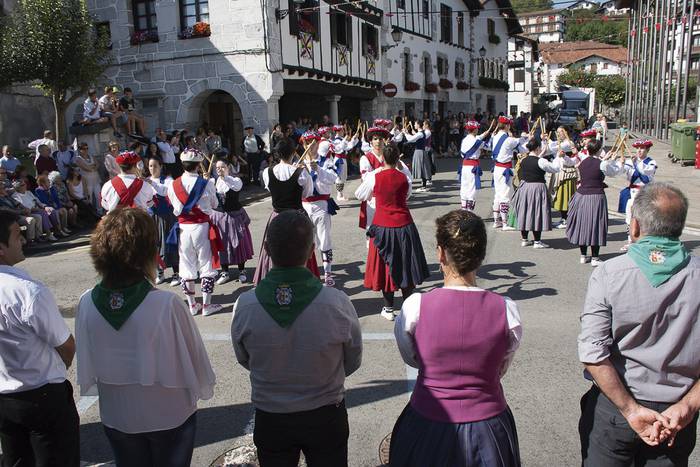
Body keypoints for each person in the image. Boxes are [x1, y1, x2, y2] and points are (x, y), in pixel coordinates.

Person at [76, 207, 215, 467]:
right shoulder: (166, 304)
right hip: (168, 415)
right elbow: (196, 362)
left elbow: (88, 359)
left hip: (117, 414)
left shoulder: (86, 302)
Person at [578, 182, 700, 466]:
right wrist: (688, 405)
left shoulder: (610, 273)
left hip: (617, 407)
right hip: (677, 415)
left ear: (634, 226)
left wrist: (630, 409)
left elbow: (593, 354)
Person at [231, 210, 362, 467]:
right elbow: (352, 359)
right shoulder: (336, 303)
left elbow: (243, 357)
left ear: (266, 249)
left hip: (272, 416)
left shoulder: (245, 305)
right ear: (312, 250)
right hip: (325, 413)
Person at [391, 209, 522, 466]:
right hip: (488, 426)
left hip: (426, 421)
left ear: (440, 253)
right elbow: (500, 367)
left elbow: (413, 358)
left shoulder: (415, 307)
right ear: (481, 256)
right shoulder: (506, 310)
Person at [0, 209, 79, 466]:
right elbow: (65, 345)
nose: (23, 240)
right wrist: (62, 365)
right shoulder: (27, 291)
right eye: (16, 235)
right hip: (42, 395)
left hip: (5, 398)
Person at [355, 144, 430, 321]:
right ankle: (407, 307)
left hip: (382, 226)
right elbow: (407, 195)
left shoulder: (374, 177)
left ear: (383, 158)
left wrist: (374, 196)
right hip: (404, 224)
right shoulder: (404, 177)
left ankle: (388, 307)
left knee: (386, 266)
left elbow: (359, 194)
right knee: (405, 264)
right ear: (398, 159)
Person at [253, 137, 320, 284]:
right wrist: (298, 171)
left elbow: (269, 188)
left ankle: (274, 280)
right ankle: (301, 281)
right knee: (300, 248)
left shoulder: (267, 172)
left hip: (277, 216)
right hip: (297, 217)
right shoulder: (301, 173)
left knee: (276, 247)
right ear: (294, 152)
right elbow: (307, 193)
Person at [167, 148, 223, 317]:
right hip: (202, 227)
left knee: (186, 265)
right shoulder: (207, 184)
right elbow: (214, 204)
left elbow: (173, 206)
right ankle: (206, 305)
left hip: (183, 229)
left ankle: (192, 305)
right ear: (199, 165)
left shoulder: (173, 184)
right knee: (206, 264)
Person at [304, 130, 341, 287]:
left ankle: (328, 273)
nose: (310, 146)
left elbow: (333, 178)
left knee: (324, 239)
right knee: (306, 241)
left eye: (313, 143)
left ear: (318, 143)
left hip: (321, 205)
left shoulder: (326, 161)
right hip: (304, 206)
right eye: (307, 143)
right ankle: (308, 272)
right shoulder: (299, 162)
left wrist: (319, 170)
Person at [511, 137, 563, 249]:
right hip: (537, 188)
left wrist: (542, 153)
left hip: (524, 188)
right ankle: (537, 241)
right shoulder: (541, 161)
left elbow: (536, 159)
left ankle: (524, 239)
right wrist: (558, 157)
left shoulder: (524, 159)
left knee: (524, 212)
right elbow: (555, 168)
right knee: (537, 213)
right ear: (538, 148)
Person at [210, 160, 254, 285]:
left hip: (234, 216)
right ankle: (225, 272)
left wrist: (224, 177)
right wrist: (206, 183)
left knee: (238, 243)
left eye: (222, 167)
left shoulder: (235, 181)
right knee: (222, 244)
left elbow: (235, 186)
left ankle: (242, 271)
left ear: (228, 167)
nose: (219, 169)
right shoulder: (213, 182)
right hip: (220, 216)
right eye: (217, 168)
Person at [146, 156, 181, 287]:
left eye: (155, 165)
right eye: (150, 166)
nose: (152, 168)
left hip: (167, 216)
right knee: (154, 244)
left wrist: (152, 183)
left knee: (170, 243)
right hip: (152, 217)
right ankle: (159, 272)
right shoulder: (146, 180)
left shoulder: (167, 180)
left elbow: (166, 191)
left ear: (161, 166)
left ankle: (176, 272)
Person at [618, 139, 657, 252]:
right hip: (632, 193)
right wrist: (621, 164)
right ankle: (630, 240)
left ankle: (645, 241)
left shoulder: (651, 162)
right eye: (638, 148)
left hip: (645, 193)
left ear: (647, 150)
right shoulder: (630, 161)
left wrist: (635, 163)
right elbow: (619, 171)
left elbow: (646, 173)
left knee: (644, 218)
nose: (639, 150)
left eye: (642, 148)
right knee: (630, 217)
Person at [490, 116, 528, 230]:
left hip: (497, 168)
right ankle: (505, 223)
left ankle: (496, 221)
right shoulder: (508, 139)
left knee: (498, 194)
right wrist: (527, 137)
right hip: (504, 169)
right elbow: (521, 145)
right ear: (507, 126)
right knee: (505, 195)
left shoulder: (495, 137)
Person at [358, 124, 389, 231]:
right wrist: (380, 170)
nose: (378, 142)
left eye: (380, 139)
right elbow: (365, 179)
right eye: (375, 139)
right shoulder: (365, 158)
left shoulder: (388, 156)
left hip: (388, 198)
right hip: (372, 199)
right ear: (370, 141)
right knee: (372, 231)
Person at [459, 120, 494, 212]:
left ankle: (463, 211)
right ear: (474, 130)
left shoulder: (464, 139)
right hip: (472, 167)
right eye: (477, 128)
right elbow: (489, 146)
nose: (478, 130)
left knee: (464, 188)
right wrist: (492, 137)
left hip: (464, 166)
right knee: (471, 189)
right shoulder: (477, 141)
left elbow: (478, 137)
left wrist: (486, 133)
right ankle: (469, 213)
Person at [548, 127, 578, 229]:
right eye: (557, 132)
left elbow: (552, 148)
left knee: (565, 196)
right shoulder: (560, 143)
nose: (558, 134)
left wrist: (548, 141)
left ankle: (566, 219)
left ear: (566, 132)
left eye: (560, 132)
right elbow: (550, 148)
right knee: (559, 196)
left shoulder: (569, 143)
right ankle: (563, 218)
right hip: (559, 172)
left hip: (567, 174)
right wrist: (545, 140)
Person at [331, 124, 359, 201]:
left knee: (343, 177)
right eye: (342, 130)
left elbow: (348, 147)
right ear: (338, 131)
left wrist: (354, 138)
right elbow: (339, 148)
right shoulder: (336, 140)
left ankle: (341, 194)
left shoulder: (341, 139)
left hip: (343, 159)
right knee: (339, 177)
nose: (343, 131)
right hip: (339, 159)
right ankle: (339, 195)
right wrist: (345, 140)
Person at [75, 142, 103, 213]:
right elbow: (86, 168)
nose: (86, 150)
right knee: (89, 198)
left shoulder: (91, 156)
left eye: (87, 148)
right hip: (87, 182)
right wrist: (92, 166)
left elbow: (98, 165)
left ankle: (100, 211)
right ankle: (91, 213)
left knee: (98, 196)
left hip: (96, 180)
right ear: (80, 150)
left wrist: (91, 167)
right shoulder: (78, 159)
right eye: (84, 149)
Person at [404, 121, 431, 192]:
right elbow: (413, 140)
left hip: (419, 152)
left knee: (422, 168)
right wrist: (407, 133)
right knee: (422, 168)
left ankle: (424, 186)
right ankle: (424, 186)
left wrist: (405, 133)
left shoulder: (420, 133)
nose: (414, 125)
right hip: (420, 151)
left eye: (415, 124)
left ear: (418, 125)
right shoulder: (421, 133)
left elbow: (411, 139)